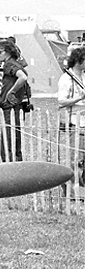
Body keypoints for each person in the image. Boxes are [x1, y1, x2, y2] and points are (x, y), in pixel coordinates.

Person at [56, 47, 85, 190]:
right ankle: (72, 187)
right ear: (79, 61)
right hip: (75, 122)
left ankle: (81, 185)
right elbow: (61, 102)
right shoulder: (67, 78)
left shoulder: (84, 76)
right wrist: (80, 97)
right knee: (76, 158)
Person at [0, 40, 29, 162]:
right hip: (16, 106)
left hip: (10, 106)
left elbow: (23, 77)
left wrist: (11, 92)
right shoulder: (15, 63)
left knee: (8, 139)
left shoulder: (9, 64)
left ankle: (9, 166)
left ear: (8, 52)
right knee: (15, 138)